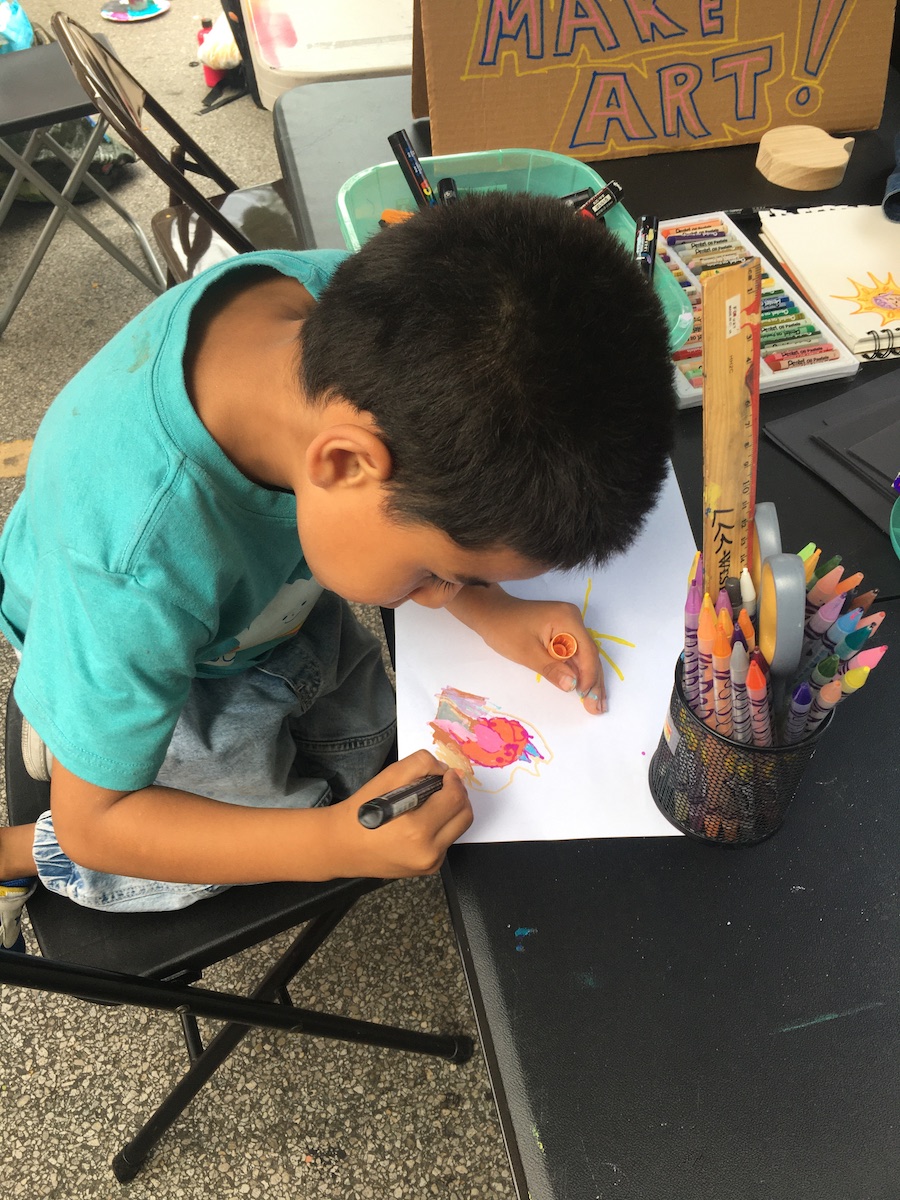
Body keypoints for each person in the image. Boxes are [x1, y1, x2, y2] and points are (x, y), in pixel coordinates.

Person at [0, 191, 677, 952]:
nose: (444, 594)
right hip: (150, 652)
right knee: (258, 825)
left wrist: (490, 607)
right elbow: (100, 825)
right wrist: (333, 844)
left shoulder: (362, 323)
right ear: (345, 463)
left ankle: (96, 724)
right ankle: (40, 813)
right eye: (440, 572)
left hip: (255, 609)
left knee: (369, 749)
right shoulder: (131, 564)